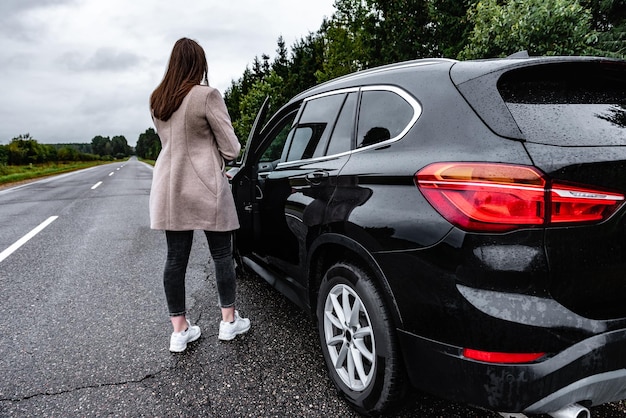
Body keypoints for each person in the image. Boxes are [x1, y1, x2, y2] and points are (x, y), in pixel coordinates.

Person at [149, 37, 250, 352]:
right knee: (221, 254)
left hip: (169, 185)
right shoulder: (207, 96)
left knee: (175, 258)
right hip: (205, 184)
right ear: (199, 64)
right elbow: (232, 148)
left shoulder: (157, 100)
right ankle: (228, 321)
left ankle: (180, 330)